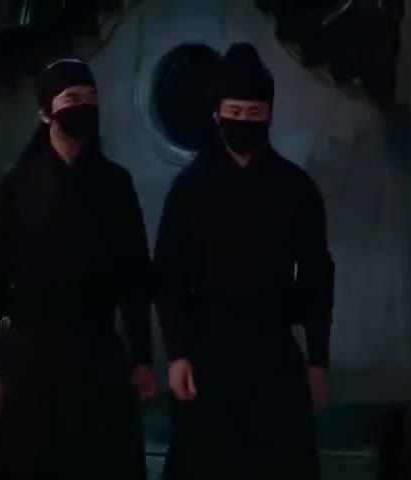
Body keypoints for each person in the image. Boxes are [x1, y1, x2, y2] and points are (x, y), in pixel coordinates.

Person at [0, 58, 156, 480]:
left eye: (90, 98)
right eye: (71, 98)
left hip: (98, 351)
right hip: (32, 355)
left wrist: (142, 356)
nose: (83, 106)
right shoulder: (16, 184)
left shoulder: (115, 184)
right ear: (46, 113)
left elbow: (135, 277)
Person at [155, 43, 335, 480]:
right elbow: (168, 275)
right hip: (207, 354)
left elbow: (317, 276)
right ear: (217, 114)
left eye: (254, 114)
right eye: (235, 112)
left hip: (274, 354)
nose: (244, 122)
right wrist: (176, 354)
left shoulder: (295, 188)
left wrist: (317, 362)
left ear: (269, 115)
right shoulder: (190, 188)